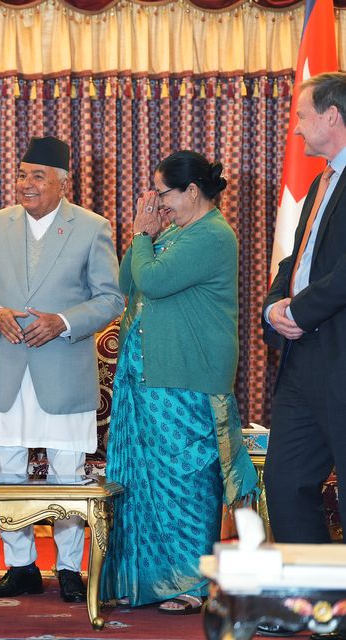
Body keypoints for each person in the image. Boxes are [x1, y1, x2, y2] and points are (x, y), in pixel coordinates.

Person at [0, 136, 123, 602]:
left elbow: (111, 298)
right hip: (10, 367)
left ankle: (70, 569)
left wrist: (64, 322)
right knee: (5, 470)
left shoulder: (92, 227)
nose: (26, 184)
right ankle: (20, 566)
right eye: (21, 174)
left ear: (62, 183)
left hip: (64, 369)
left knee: (66, 474)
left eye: (37, 176)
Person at [101, 150, 257, 615]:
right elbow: (130, 279)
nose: (158, 202)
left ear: (192, 191)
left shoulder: (211, 235)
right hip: (150, 375)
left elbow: (155, 281)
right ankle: (151, 579)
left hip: (185, 375)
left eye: (164, 192)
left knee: (185, 479)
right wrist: (143, 238)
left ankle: (189, 581)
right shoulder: (175, 234)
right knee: (148, 480)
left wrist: (141, 236)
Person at [264, 74, 346, 540]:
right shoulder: (321, 181)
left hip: (339, 352)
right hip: (301, 363)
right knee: (287, 483)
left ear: (331, 115)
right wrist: (275, 304)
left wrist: (298, 312)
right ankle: (309, 606)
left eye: (302, 116)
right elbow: (297, 259)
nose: (295, 129)